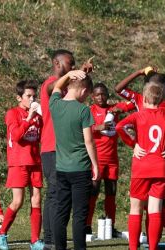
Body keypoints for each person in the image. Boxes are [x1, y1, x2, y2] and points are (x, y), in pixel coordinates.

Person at [116, 81, 165, 250]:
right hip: (160, 167)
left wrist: (133, 143)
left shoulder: (138, 115)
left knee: (136, 208)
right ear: (161, 99)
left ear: (144, 98)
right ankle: (152, 247)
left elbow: (120, 126)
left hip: (141, 167)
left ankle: (133, 247)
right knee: (155, 209)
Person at [39, 49, 93, 249]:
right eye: (70, 64)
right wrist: (71, 74)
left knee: (57, 196)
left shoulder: (67, 87)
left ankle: (51, 239)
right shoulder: (50, 83)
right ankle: (50, 241)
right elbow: (54, 86)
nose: (73, 67)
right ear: (57, 63)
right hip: (52, 148)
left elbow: (77, 90)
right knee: (55, 195)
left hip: (63, 150)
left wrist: (82, 74)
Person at [49, 70, 99, 250]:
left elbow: (56, 87)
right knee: (79, 215)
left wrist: (69, 74)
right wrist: (95, 164)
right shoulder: (83, 110)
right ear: (84, 91)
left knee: (61, 213)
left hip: (61, 169)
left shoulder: (54, 104)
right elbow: (89, 141)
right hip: (80, 169)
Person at [0, 80, 44, 250]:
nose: (32, 99)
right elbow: (16, 136)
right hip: (18, 163)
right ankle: (2, 233)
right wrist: (29, 118)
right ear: (19, 98)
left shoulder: (38, 116)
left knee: (37, 200)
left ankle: (35, 240)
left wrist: (38, 117)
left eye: (34, 96)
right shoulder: (12, 113)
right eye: (28, 96)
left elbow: (40, 138)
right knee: (18, 201)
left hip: (35, 162)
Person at [86, 82, 134, 236]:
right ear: (92, 97)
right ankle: (86, 226)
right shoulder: (90, 111)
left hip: (112, 160)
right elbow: (81, 129)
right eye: (97, 94)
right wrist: (97, 127)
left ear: (107, 95)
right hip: (97, 159)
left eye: (104, 94)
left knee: (111, 193)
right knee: (93, 193)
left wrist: (121, 107)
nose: (101, 97)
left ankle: (110, 226)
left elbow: (133, 103)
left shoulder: (113, 109)